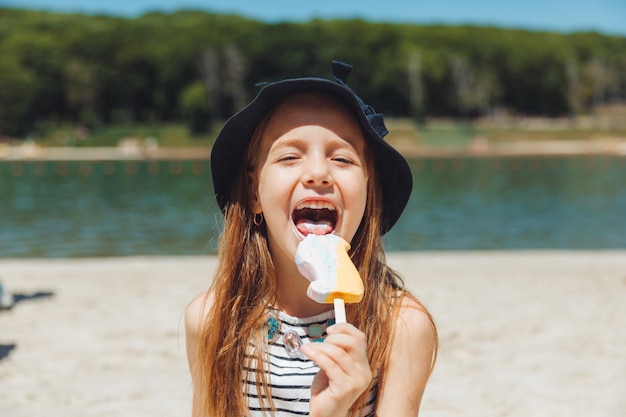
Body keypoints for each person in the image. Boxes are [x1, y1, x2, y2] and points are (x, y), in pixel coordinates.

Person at [185, 61, 437, 417]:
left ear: (368, 194)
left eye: (343, 158)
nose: (319, 173)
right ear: (254, 193)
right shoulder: (211, 320)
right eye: (290, 156)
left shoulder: (401, 327)